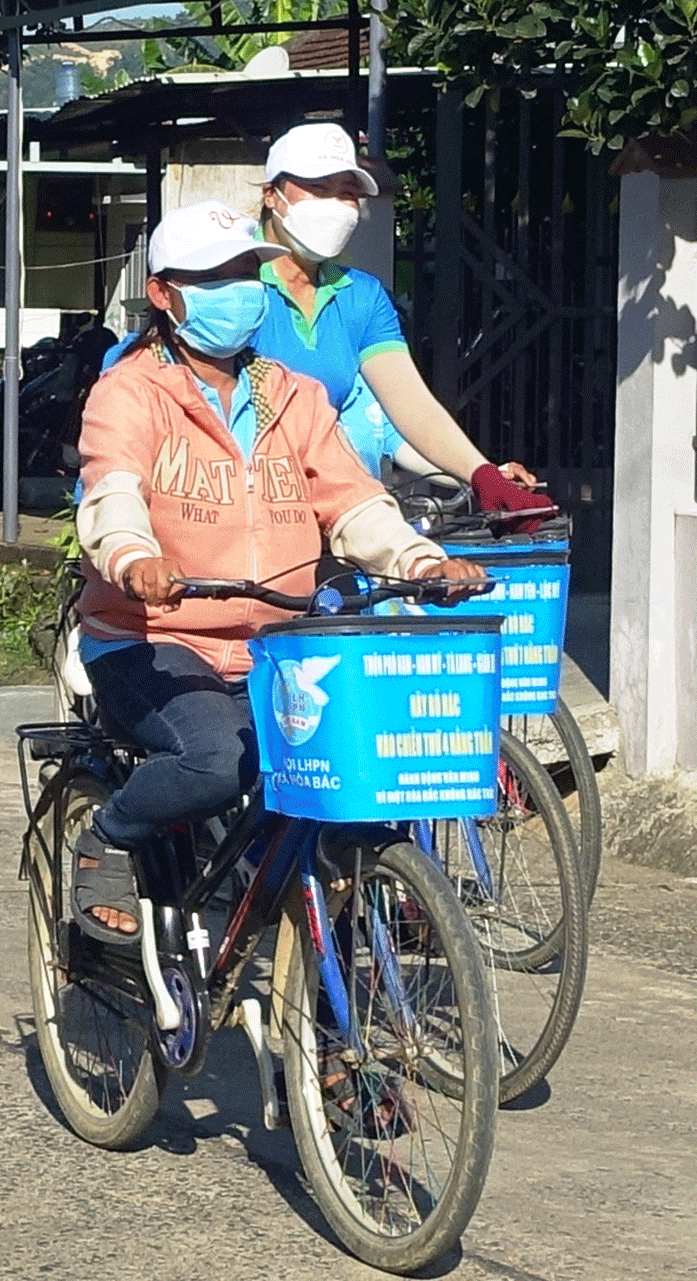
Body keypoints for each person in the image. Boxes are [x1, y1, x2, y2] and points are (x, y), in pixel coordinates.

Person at [67, 200, 484, 940]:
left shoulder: (294, 396)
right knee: (218, 762)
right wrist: (134, 557)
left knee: (338, 784)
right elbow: (112, 490)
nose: (239, 289)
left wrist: (421, 559)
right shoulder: (129, 391)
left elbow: (352, 500)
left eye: (247, 273)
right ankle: (114, 831)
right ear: (164, 293)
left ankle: (330, 1028)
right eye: (216, 275)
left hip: (280, 641)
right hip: (154, 638)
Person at [252, 122, 551, 520]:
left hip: (331, 507)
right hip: (242, 505)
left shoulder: (362, 296)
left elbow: (410, 405)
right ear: (272, 194)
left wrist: (484, 475)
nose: (334, 205)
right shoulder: (231, 287)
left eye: (347, 193)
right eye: (318, 188)